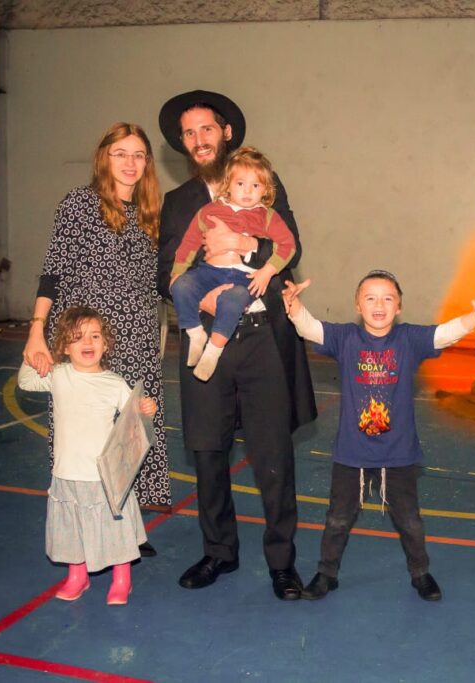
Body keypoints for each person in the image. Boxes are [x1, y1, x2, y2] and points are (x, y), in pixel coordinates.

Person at [157, 90, 317, 600]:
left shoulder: (263, 184)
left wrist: (245, 244)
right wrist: (203, 300)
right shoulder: (179, 202)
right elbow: (166, 271)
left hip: (262, 339)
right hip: (206, 340)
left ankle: (282, 562)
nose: (199, 139)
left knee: (273, 454)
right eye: (189, 133)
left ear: (225, 133)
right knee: (208, 450)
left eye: (207, 129)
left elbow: (290, 246)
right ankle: (219, 552)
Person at [281, 271, 475, 601]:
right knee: (338, 519)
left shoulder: (408, 340)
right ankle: (327, 573)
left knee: (410, 521)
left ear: (399, 307)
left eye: (388, 298)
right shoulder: (345, 338)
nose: (379, 305)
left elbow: (442, 335)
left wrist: (473, 319)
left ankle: (420, 572)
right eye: (370, 298)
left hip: (398, 454)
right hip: (352, 453)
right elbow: (310, 328)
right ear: (358, 305)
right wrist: (294, 306)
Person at [22, 122, 169, 558]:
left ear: (147, 162)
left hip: (137, 337)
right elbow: (53, 271)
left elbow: (167, 278)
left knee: (130, 433)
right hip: (87, 338)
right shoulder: (79, 204)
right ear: (104, 157)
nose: (130, 162)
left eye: (138, 154)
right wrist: (36, 329)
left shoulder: (152, 215)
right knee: (84, 433)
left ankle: (127, 530)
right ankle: (80, 528)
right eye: (120, 153)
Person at [19, 306, 157, 606]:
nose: (88, 342)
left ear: (105, 344)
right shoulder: (58, 375)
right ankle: (77, 576)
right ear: (64, 347)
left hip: (105, 477)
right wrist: (34, 351)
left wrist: (147, 408)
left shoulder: (114, 382)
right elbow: (26, 381)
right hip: (66, 472)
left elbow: (135, 417)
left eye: (95, 336)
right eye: (78, 337)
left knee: (115, 528)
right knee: (72, 529)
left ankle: (122, 580)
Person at [169, 147, 297, 382]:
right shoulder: (209, 211)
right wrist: (177, 272)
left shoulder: (267, 216)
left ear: (265, 190)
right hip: (209, 272)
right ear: (227, 184)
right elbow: (189, 243)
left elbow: (288, 245)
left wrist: (267, 272)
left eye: (255, 185)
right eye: (240, 184)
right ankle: (195, 333)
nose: (247, 191)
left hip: (244, 277)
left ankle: (213, 351)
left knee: (232, 300)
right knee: (180, 286)